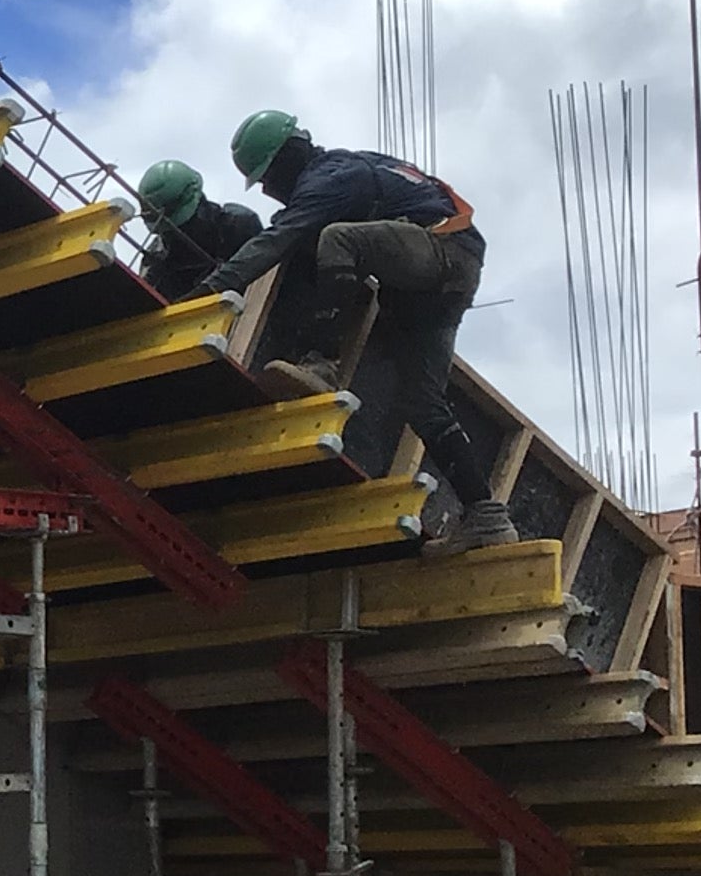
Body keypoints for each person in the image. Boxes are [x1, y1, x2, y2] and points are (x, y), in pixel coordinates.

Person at [205, 108, 515, 552]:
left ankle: (322, 363)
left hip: (440, 250)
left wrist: (208, 292)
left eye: (268, 179)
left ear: (287, 158)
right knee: (422, 403)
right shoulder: (353, 166)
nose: (270, 192)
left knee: (336, 239)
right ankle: (487, 514)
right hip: (446, 276)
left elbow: (276, 240)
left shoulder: (329, 177)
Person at [128, 159, 265, 296]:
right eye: (166, 232)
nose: (174, 235)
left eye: (182, 226)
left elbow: (264, 278)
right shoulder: (156, 258)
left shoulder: (238, 225)